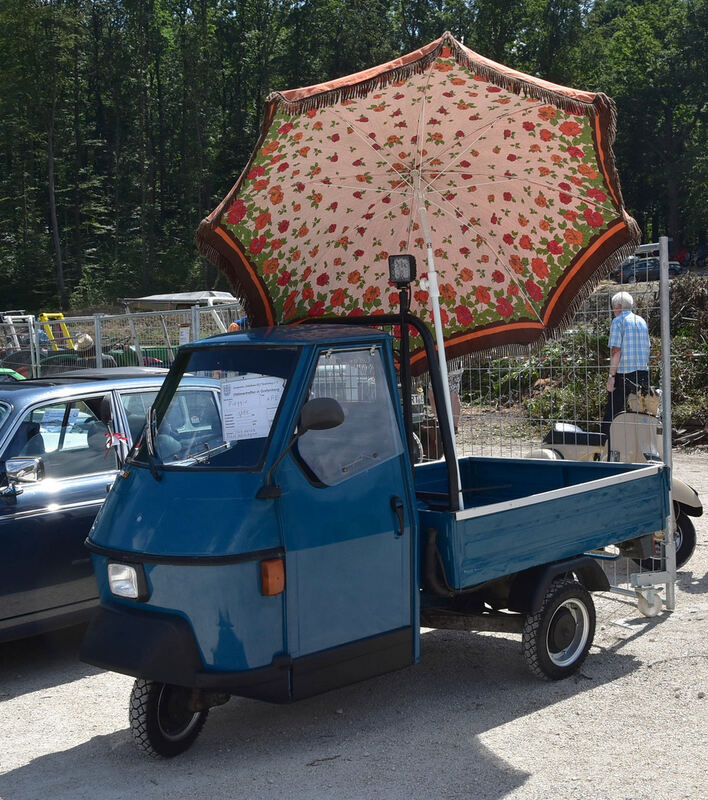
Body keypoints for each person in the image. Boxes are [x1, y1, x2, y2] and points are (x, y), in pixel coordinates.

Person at [601, 291, 649, 436]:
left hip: (624, 373)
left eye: (613, 308)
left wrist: (611, 376)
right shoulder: (641, 321)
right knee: (640, 411)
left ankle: (606, 443)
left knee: (614, 411)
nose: (613, 311)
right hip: (642, 371)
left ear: (618, 306)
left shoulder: (618, 322)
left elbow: (616, 351)